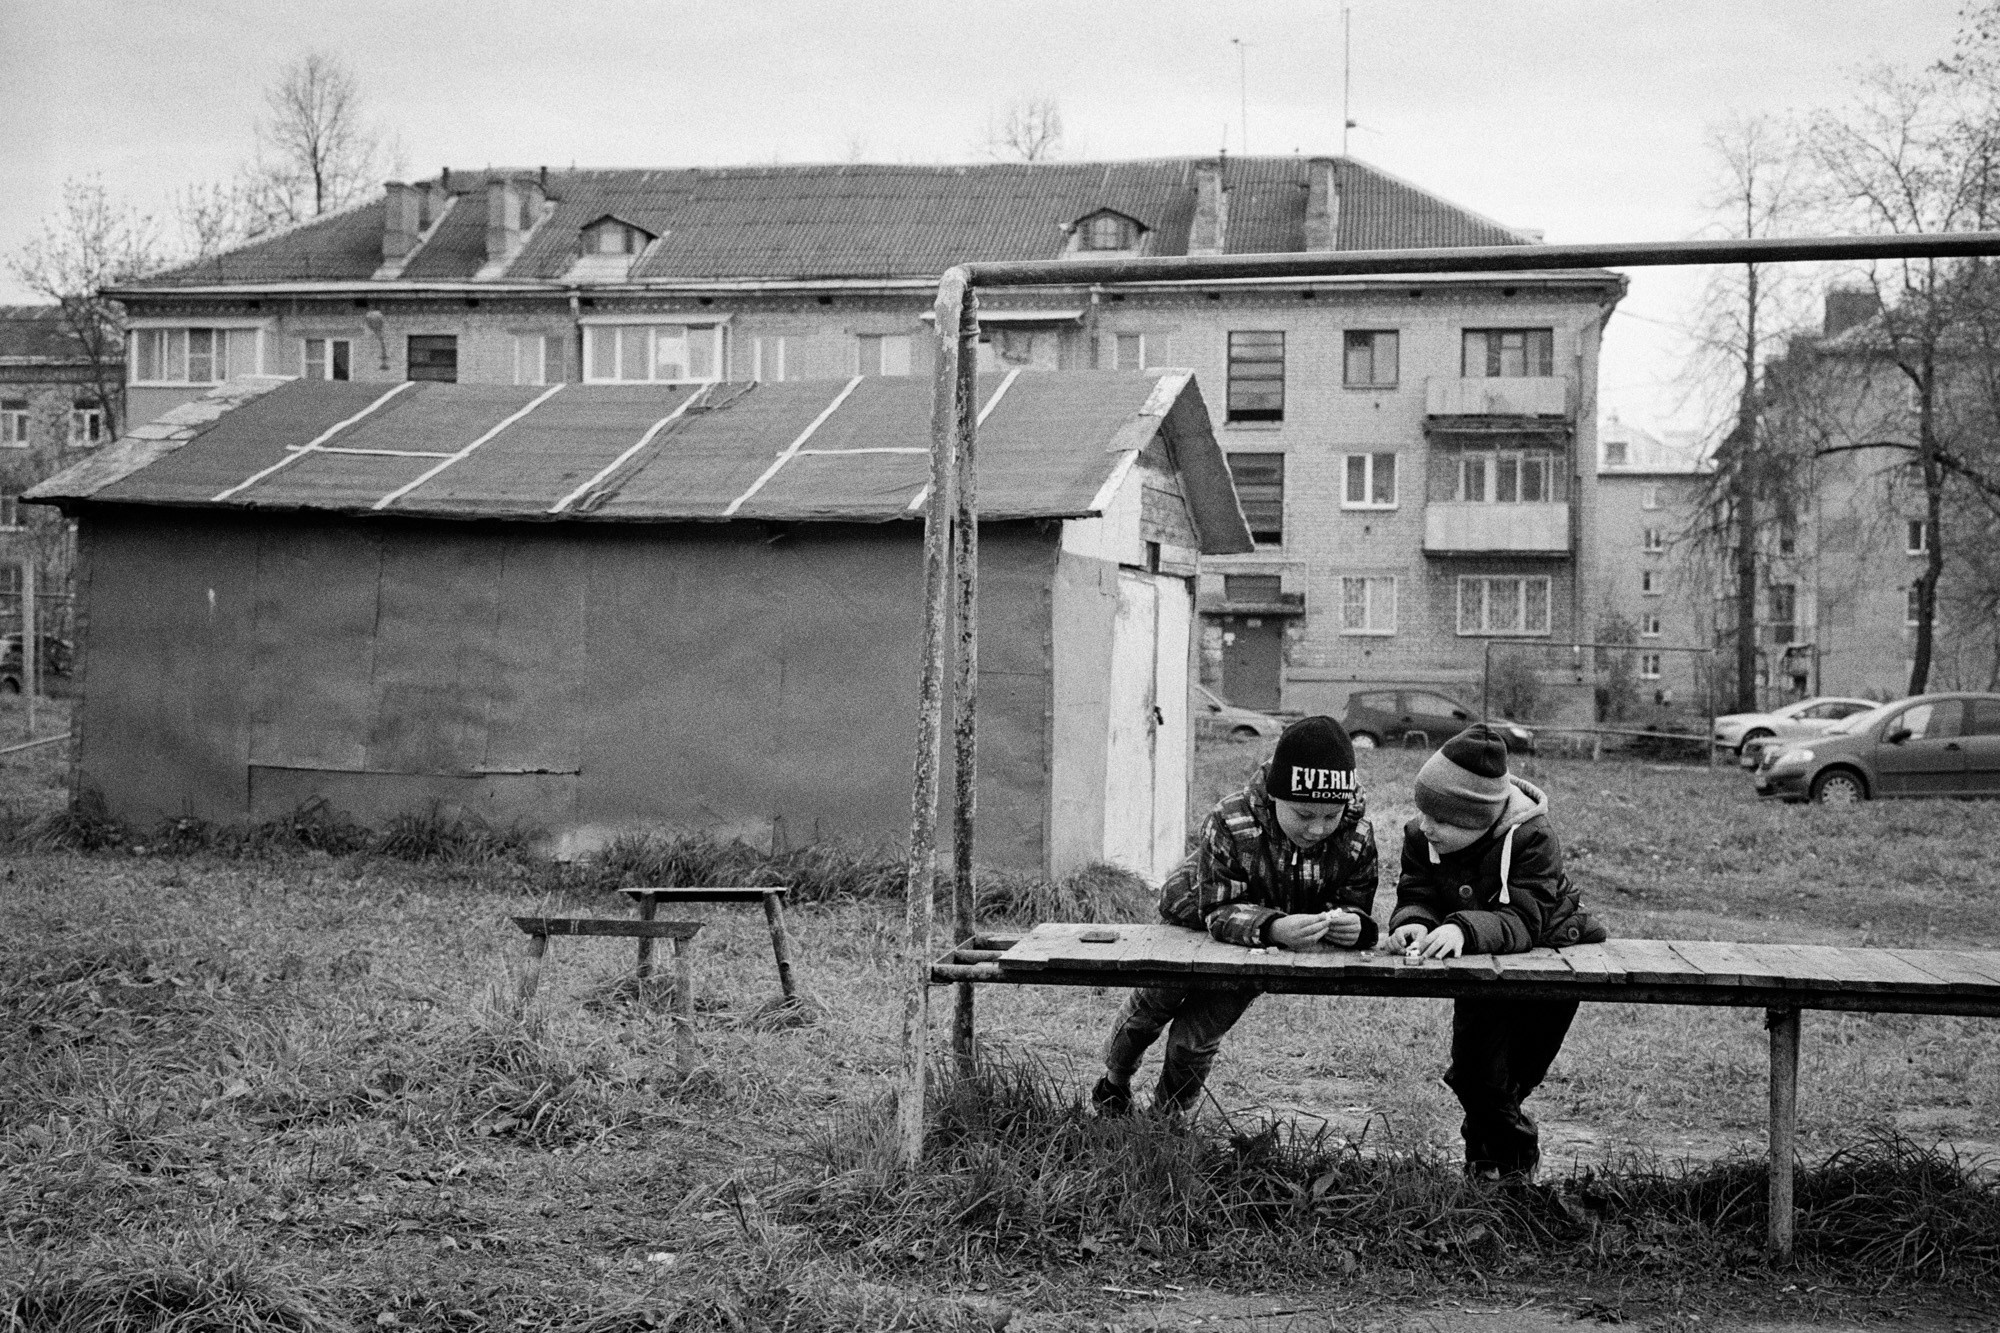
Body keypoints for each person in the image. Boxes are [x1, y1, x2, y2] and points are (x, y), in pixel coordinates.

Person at [1093, 715, 1379, 1117]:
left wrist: (1353, 924)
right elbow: (1216, 908)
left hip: (1261, 948)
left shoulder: (1357, 836)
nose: (1317, 829)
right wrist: (1275, 926)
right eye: (1302, 814)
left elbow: (1354, 901)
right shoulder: (1230, 819)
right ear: (1275, 796)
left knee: (1194, 1039)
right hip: (1190, 924)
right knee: (1149, 1009)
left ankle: (1165, 1118)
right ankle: (1114, 1083)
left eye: (1329, 817)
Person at [1385, 723, 1605, 1182]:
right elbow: (1417, 890)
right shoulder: (1422, 837)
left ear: (1479, 819)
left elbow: (1526, 919)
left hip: (1550, 961)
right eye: (1423, 812)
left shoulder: (1533, 839)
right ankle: (1507, 1166)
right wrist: (1412, 922)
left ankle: (1492, 1164)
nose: (1427, 827)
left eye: (1441, 819)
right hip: (1481, 968)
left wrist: (1463, 929)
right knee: (1475, 1075)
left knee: (1517, 1074)